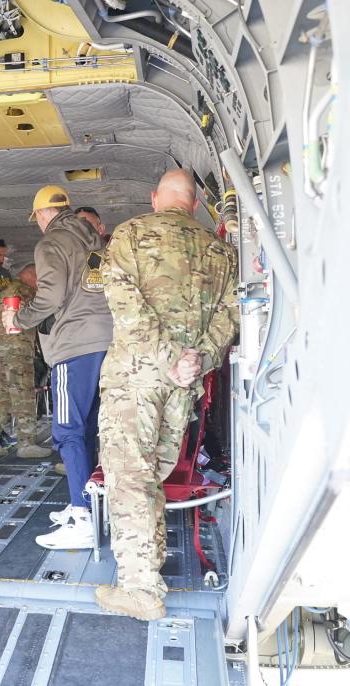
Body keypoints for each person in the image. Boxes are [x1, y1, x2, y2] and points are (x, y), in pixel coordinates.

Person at [94, 169, 238, 621]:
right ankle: (147, 568)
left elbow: (124, 302)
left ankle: (140, 588)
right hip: (182, 384)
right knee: (152, 474)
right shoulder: (221, 251)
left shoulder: (131, 234)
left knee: (128, 475)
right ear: (194, 204)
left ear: (155, 198)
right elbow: (231, 314)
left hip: (136, 377)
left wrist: (165, 356)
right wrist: (197, 360)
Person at [2, 185, 113, 550]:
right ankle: (92, 504)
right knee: (92, 427)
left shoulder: (51, 243)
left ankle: (83, 517)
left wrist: (21, 317)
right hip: (104, 339)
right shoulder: (93, 240)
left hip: (73, 344)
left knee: (67, 429)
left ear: (43, 216)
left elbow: (49, 296)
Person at [0, 264, 50, 459]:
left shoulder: (8, 289)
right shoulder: (22, 290)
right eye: (39, 279)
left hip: (1, 349)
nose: (40, 284)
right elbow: (35, 314)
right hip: (17, 351)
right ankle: (26, 443)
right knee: (23, 395)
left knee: (4, 395)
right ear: (30, 275)